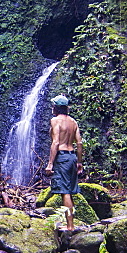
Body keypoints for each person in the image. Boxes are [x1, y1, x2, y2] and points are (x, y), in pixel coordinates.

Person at [44, 94, 83, 231]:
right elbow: (79, 143)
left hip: (61, 157)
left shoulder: (55, 121)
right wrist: (79, 161)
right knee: (69, 191)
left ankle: (70, 226)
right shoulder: (73, 122)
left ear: (56, 107)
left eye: (53, 106)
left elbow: (55, 142)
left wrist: (50, 163)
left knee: (65, 192)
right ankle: (70, 223)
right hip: (71, 156)